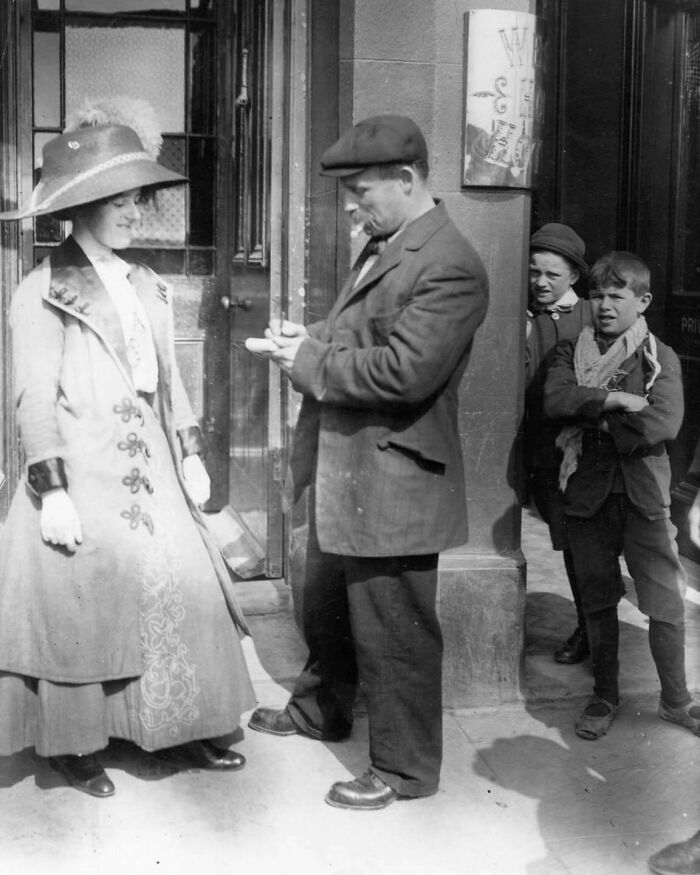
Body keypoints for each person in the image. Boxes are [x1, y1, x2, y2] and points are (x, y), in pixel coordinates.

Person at [0, 114, 256, 797]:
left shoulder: (145, 281)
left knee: (185, 582)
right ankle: (74, 746)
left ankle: (186, 724)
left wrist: (191, 450)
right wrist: (51, 488)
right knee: (82, 602)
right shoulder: (41, 290)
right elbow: (31, 397)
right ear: (82, 208)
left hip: (153, 465)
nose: (135, 213)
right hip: (82, 465)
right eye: (120, 202)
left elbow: (171, 376)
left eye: (137, 199)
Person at [246, 115, 489, 810]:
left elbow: (407, 371)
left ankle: (406, 770)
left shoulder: (451, 262)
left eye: (361, 190)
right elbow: (360, 331)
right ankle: (321, 709)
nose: (351, 204)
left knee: (394, 626)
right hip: (350, 465)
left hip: (396, 476)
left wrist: (311, 361)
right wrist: (308, 336)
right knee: (328, 604)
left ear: (408, 180)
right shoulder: (390, 244)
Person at [544, 251, 700, 741]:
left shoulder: (660, 356)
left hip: (642, 497)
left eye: (617, 296)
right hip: (588, 494)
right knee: (597, 597)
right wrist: (615, 399)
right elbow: (554, 400)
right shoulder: (570, 352)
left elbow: (664, 422)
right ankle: (605, 695)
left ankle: (676, 700)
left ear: (643, 301)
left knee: (665, 601)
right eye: (596, 295)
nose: (604, 306)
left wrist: (594, 418)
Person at [525, 223, 592, 665]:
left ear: (573, 278)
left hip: (578, 452)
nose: (541, 283)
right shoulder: (518, 313)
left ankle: (590, 629)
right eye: (534, 272)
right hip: (536, 450)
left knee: (584, 544)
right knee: (564, 539)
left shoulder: (589, 315)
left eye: (552, 274)